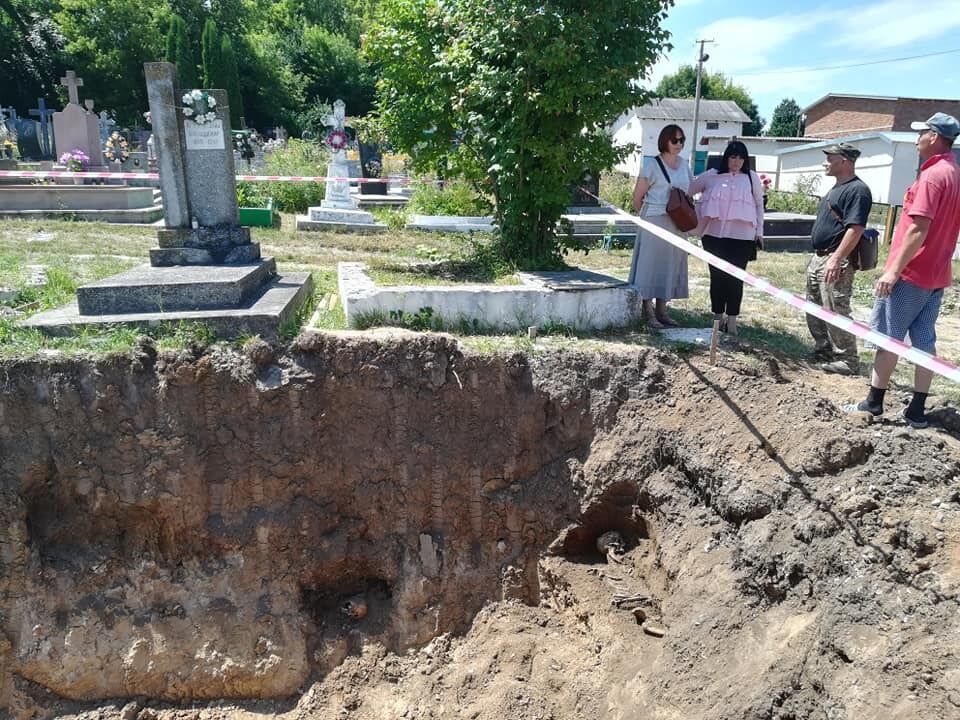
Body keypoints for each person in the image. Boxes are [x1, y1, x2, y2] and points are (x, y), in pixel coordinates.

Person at [846, 112, 960, 428]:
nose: (917, 138)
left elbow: (918, 228)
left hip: (911, 274)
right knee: (925, 341)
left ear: (934, 137)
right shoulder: (955, 174)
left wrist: (893, 270)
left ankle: (873, 402)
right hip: (936, 274)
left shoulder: (933, 176)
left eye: (921, 132)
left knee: (887, 338)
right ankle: (917, 410)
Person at [806, 142, 873, 375]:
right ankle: (823, 348)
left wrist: (836, 259)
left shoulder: (857, 190)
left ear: (844, 160)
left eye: (830, 158)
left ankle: (847, 359)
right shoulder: (835, 189)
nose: (825, 162)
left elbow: (855, 228)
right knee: (814, 305)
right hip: (819, 257)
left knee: (835, 306)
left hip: (835, 258)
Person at [688, 140, 765, 342]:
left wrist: (760, 232)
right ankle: (717, 317)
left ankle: (732, 321)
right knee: (717, 277)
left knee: (735, 278)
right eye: (733, 157)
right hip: (713, 235)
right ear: (726, 157)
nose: (737, 161)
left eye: (741, 158)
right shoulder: (712, 176)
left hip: (742, 237)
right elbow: (688, 189)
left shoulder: (751, 178)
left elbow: (759, 205)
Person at [629, 124, 693, 328]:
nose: (679, 144)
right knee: (650, 265)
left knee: (670, 265)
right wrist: (646, 220)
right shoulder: (651, 165)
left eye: (682, 140)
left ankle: (662, 310)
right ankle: (647, 311)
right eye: (675, 140)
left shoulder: (684, 164)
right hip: (655, 219)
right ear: (665, 140)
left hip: (678, 221)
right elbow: (637, 198)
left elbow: (689, 191)